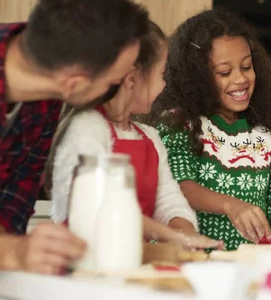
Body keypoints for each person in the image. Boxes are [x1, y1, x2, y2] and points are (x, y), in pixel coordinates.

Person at [0, 0, 150, 276]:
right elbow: (3, 247)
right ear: (74, 82)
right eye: (113, 82)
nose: (117, 88)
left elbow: (7, 209)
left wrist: (8, 250)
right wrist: (13, 252)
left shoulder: (44, 102)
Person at [153, 9, 271, 251]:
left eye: (246, 67)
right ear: (196, 77)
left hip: (242, 268)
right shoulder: (179, 125)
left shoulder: (268, 140)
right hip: (191, 264)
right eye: (225, 72)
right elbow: (180, 187)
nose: (240, 79)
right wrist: (231, 205)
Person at [48, 21, 222, 249]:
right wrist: (173, 238)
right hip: (83, 265)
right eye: (161, 74)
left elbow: (168, 200)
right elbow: (100, 208)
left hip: (129, 261)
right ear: (131, 79)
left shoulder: (150, 137)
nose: (164, 85)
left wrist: (184, 230)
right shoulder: (88, 128)